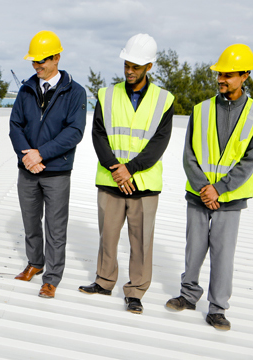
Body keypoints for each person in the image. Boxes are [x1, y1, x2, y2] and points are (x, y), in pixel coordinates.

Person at [166, 44, 253, 331]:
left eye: (229, 74)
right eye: (220, 74)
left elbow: (249, 161)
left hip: (230, 199)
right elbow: (189, 155)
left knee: (223, 255)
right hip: (199, 194)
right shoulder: (200, 110)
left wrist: (219, 189)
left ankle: (217, 309)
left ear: (245, 75)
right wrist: (204, 188)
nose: (222, 79)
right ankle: (188, 296)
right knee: (194, 249)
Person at [78, 34, 175, 314]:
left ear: (150, 66)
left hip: (143, 183)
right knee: (107, 236)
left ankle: (135, 292)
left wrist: (129, 170)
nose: (130, 71)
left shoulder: (164, 100)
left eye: (136, 66)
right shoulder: (106, 95)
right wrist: (116, 169)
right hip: (111, 180)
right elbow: (98, 134)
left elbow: (159, 142)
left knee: (141, 241)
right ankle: (104, 281)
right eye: (127, 65)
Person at [9, 31, 87, 298]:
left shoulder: (75, 92)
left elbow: (74, 132)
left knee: (55, 228)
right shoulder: (26, 88)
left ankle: (51, 277)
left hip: (56, 172)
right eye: (33, 61)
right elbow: (15, 125)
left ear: (57, 57)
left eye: (41, 61)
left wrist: (39, 154)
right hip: (27, 170)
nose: (36, 66)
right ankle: (34, 263)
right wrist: (26, 158)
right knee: (31, 222)